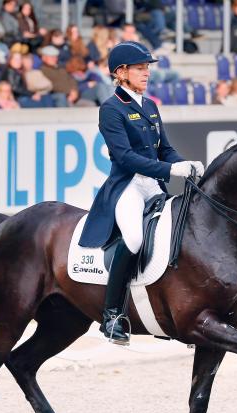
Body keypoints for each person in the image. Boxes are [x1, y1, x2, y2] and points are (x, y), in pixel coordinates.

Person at [78, 41, 204, 344]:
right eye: (140, 68)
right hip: (128, 185)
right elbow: (124, 157)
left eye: (147, 68)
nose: (146, 73)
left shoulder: (149, 106)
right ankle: (111, 316)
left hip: (153, 185)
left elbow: (165, 149)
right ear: (121, 73)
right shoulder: (111, 109)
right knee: (134, 238)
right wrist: (169, 171)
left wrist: (184, 163)